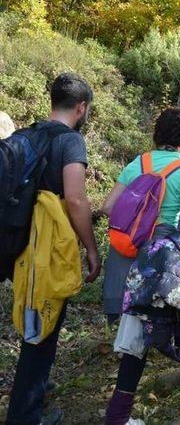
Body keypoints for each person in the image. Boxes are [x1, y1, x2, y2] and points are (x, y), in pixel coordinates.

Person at [102, 108, 180, 425]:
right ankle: (117, 418)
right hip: (159, 257)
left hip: (127, 252)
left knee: (146, 321)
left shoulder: (139, 163)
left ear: (157, 136)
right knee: (149, 327)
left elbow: (108, 206)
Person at [6, 73, 101, 425]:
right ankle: (24, 415)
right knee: (40, 328)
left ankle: (34, 391)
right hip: (45, 251)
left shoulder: (24, 135)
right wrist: (91, 248)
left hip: (18, 244)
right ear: (81, 107)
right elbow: (76, 198)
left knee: (34, 322)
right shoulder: (70, 142)